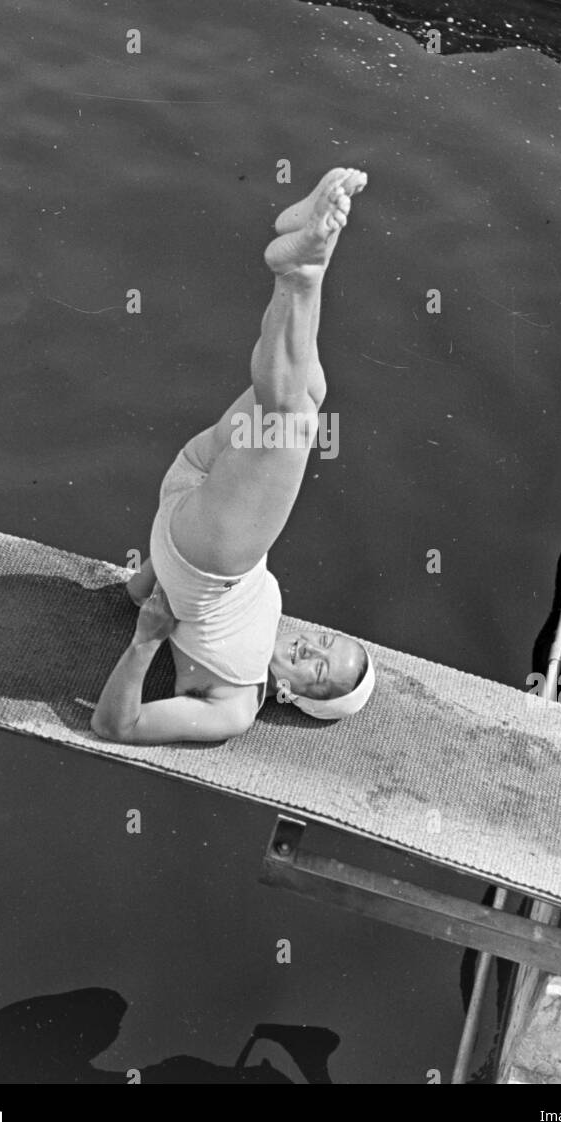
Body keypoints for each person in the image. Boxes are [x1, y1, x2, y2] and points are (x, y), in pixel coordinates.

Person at [92, 168, 375, 746]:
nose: (309, 646)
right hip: (200, 495)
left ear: (297, 699)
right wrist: (146, 580)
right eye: (325, 640)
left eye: (318, 668)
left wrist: (146, 639)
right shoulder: (267, 621)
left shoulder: (235, 706)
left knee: (292, 419)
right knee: (308, 395)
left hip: (203, 557)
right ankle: (306, 254)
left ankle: (304, 270)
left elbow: (115, 725)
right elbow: (138, 590)